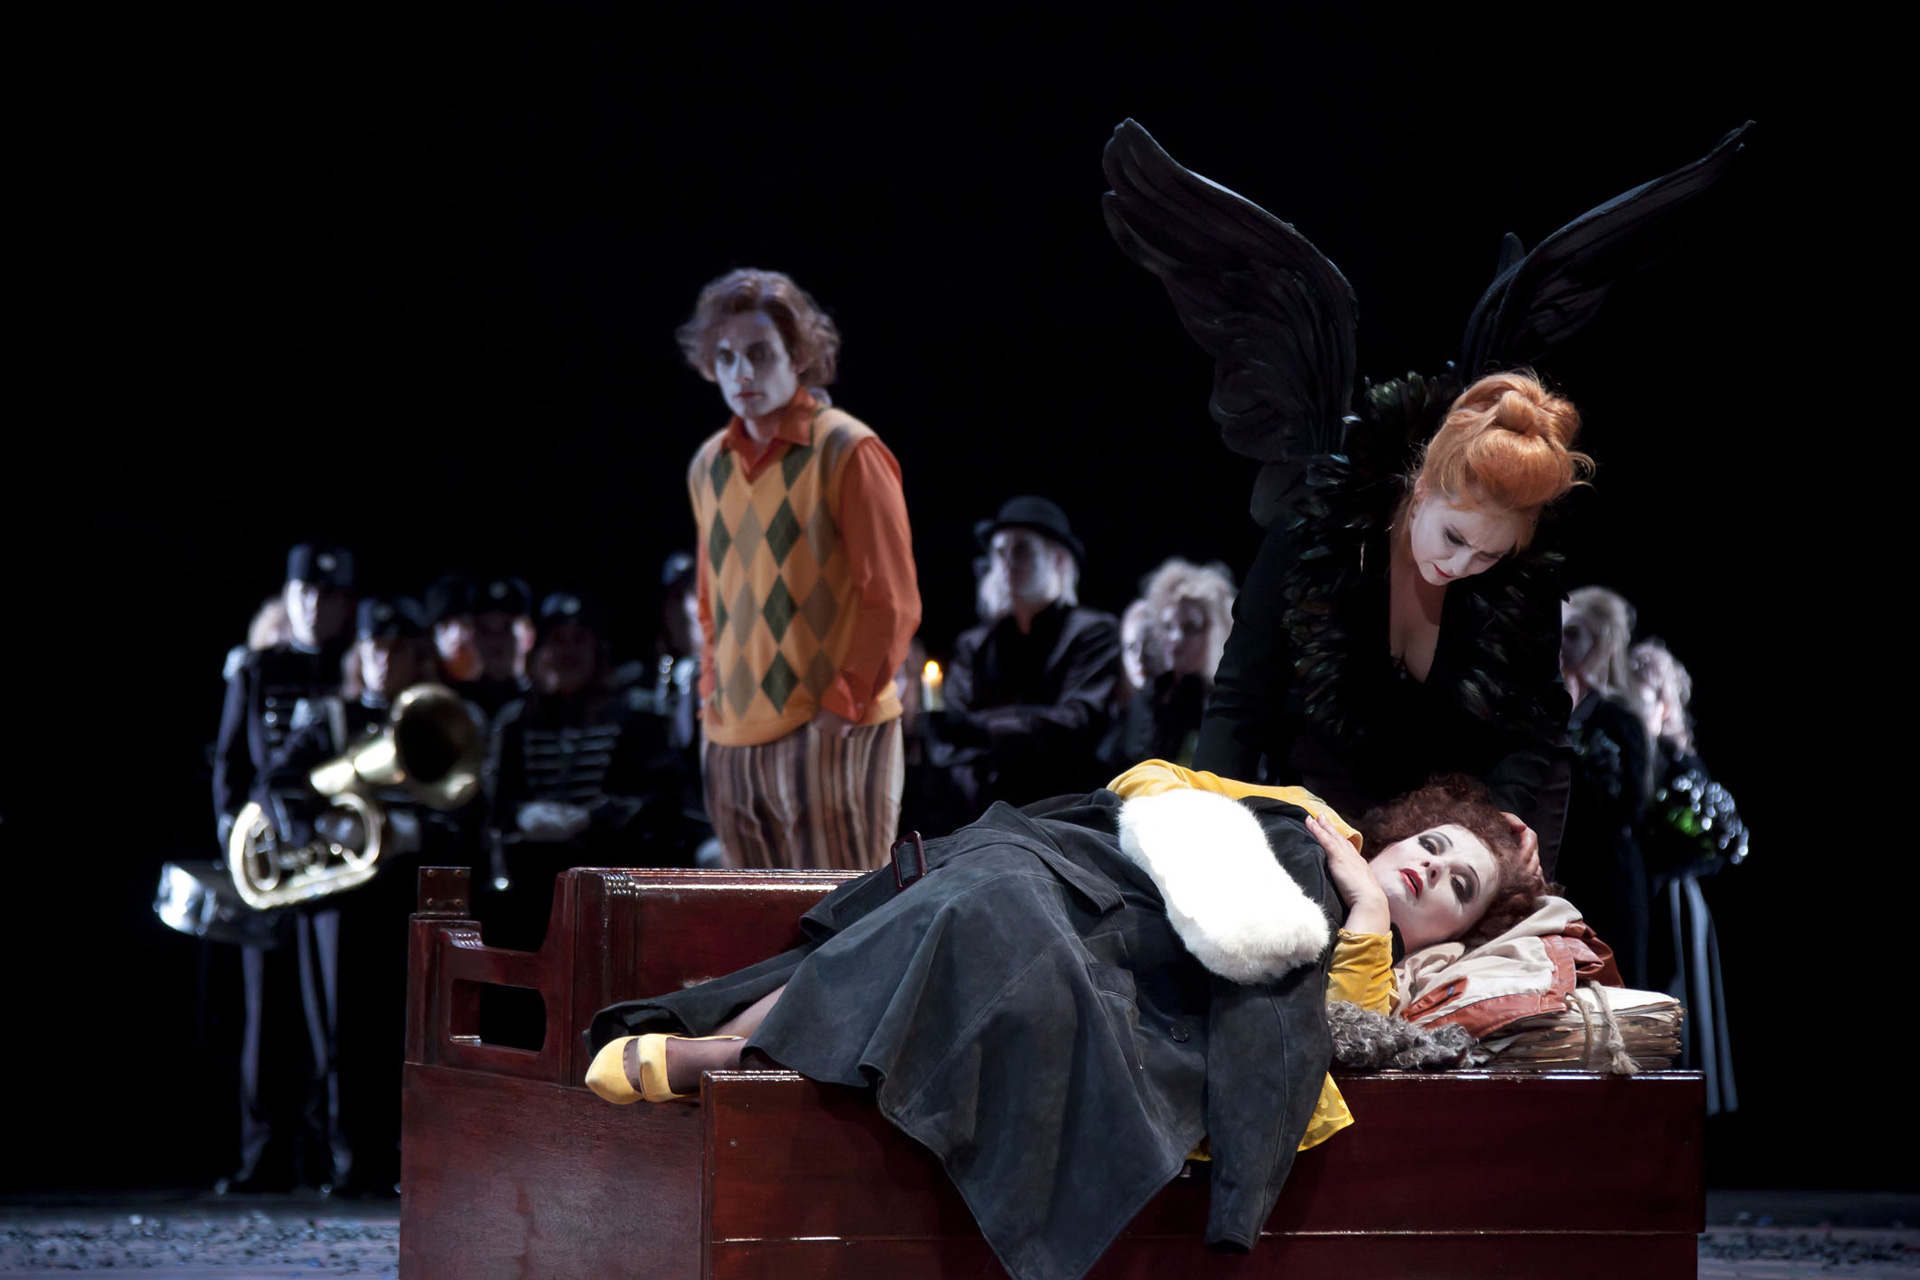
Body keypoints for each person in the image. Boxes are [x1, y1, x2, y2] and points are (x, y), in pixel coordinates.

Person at [582, 761, 1545, 1280]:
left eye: (1457, 887)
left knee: (1018, 942)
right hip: (1098, 884)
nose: (1430, 868)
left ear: (1450, 932)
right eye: (1433, 845)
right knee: (992, 888)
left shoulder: (1370, 944)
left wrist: (1363, 916)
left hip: (1146, 994)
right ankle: (735, 1052)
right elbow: (1143, 782)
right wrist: (1213, 857)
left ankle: (737, 1053)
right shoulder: (1301, 811)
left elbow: (1326, 1037)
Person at [1101, 119, 1751, 873]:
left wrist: (1503, 833)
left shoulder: (1519, 576)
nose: (1463, 564)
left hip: (1446, 855)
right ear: (1420, 484)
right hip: (1308, 837)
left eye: (1489, 555)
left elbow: (1537, 730)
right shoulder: (1313, 527)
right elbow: (1242, 700)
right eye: (1454, 537)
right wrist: (1220, 841)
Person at [678, 268, 921, 871]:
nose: (742, 373)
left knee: (841, 915)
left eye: (760, 353)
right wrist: (711, 697)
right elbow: (712, 602)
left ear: (800, 356)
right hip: (732, 741)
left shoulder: (846, 448)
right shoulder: (709, 464)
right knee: (752, 925)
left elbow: (891, 600)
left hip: (829, 729)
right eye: (726, 357)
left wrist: (841, 709)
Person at [254, 595, 476, 1196]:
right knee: (341, 1031)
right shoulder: (330, 718)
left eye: (398, 649)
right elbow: (274, 783)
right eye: (375, 647)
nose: (384, 660)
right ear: (359, 653)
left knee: (412, 1028)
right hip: (342, 902)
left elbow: (466, 803)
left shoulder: (440, 714)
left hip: (409, 895)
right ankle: (350, 1159)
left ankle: (413, 1159)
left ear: (416, 656)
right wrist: (319, 825)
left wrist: (415, 831)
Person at [209, 542, 355, 1194]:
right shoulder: (256, 670)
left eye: (328, 595)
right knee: (264, 1016)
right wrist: (234, 838)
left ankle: (334, 1157)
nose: (315, 605)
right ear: (288, 597)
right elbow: (232, 764)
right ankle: (262, 1156)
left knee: (334, 1018)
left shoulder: (355, 668)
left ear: (345, 603)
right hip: (269, 864)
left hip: (336, 863)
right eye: (305, 593)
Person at [483, 592, 675, 946]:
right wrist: (522, 815)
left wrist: (594, 818)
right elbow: (493, 803)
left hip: (609, 879)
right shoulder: (515, 722)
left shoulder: (633, 716)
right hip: (530, 885)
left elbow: (658, 798)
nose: (568, 652)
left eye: (579, 640)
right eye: (558, 640)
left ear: (597, 650)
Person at [927, 496, 1122, 813]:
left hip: (1060, 809)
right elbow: (948, 735)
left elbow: (1078, 722)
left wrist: (981, 727)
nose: (1007, 562)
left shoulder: (1093, 632)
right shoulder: (974, 645)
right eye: (999, 552)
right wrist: (1023, 725)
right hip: (978, 809)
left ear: (1058, 560)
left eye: (1022, 550)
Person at [1630, 638, 1746, 1114]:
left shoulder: (1679, 764)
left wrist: (1663, 857)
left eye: (1643, 696)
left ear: (1664, 705)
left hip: (1672, 904)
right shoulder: (1621, 753)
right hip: (1637, 895)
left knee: (1679, 1002)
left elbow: (1725, 841)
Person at [1556, 585, 1654, 988]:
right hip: (1564, 872)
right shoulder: (1556, 709)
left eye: (1574, 634)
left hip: (1608, 877)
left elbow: (1634, 804)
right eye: (1561, 632)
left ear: (1601, 643)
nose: (1562, 644)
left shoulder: (1619, 717)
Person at [1102, 558, 1235, 769]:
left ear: (1214, 631)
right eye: (1167, 626)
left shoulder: (1226, 701)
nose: (1175, 638)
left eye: (1190, 627)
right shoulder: (1147, 695)